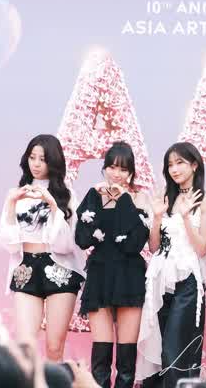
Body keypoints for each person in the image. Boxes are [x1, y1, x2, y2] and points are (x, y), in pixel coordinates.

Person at [0, 134, 85, 361]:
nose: (35, 164)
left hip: (60, 270)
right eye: (32, 157)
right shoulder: (16, 194)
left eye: (42, 159)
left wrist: (53, 205)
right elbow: (7, 244)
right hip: (26, 268)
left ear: (53, 162)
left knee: (54, 348)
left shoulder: (67, 195)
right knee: (25, 346)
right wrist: (11, 204)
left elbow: (66, 245)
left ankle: (55, 379)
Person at [136, 142, 206, 388]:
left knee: (176, 352)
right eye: (170, 164)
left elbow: (202, 248)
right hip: (160, 279)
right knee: (160, 351)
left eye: (180, 162)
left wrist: (185, 217)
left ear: (194, 165)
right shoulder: (164, 198)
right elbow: (153, 247)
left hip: (188, 281)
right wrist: (157, 217)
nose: (174, 169)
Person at [75, 141, 150, 388]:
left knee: (126, 362)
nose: (116, 174)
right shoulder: (94, 195)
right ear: (104, 168)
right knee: (101, 359)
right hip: (100, 275)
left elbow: (134, 244)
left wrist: (124, 198)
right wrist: (94, 200)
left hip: (130, 277)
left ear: (131, 172)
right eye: (112, 167)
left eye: (123, 169)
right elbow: (82, 239)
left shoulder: (139, 198)